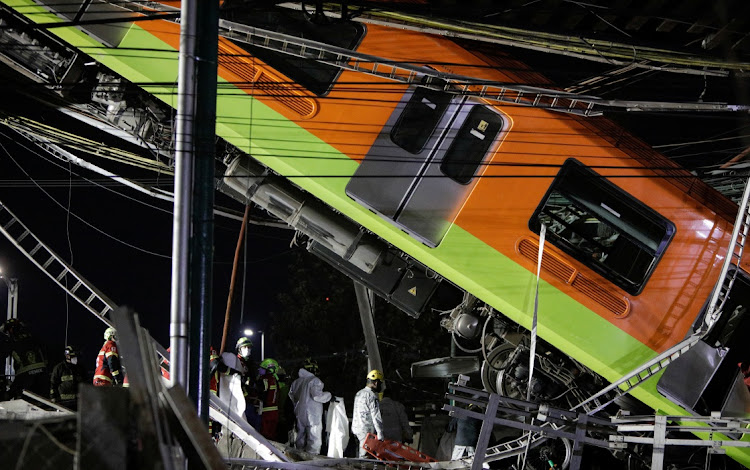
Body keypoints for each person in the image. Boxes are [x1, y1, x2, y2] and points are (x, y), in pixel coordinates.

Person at [288, 358, 332, 454]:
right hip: (312, 414)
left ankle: (299, 456)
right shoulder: (314, 380)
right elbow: (317, 396)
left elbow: (292, 396)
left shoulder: (296, 382)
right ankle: (312, 459)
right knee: (314, 437)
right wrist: (329, 395)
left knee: (300, 435)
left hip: (300, 413)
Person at [0, 318, 49, 398]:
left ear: (11, 329)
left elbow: (2, 354)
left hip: (25, 377)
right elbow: (45, 350)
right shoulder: (33, 337)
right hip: (43, 374)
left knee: (16, 398)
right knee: (42, 401)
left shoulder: (10, 341)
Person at [351, 369, 385, 457]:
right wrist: (380, 433)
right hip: (366, 431)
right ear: (376, 383)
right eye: (380, 383)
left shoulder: (359, 393)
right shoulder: (372, 396)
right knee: (365, 457)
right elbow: (376, 416)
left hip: (356, 429)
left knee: (359, 454)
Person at [257, 358, 280, 440]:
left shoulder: (265, 379)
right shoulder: (275, 379)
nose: (260, 370)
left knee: (264, 436)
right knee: (272, 435)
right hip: (274, 411)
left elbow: (259, 391)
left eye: (263, 369)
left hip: (266, 412)